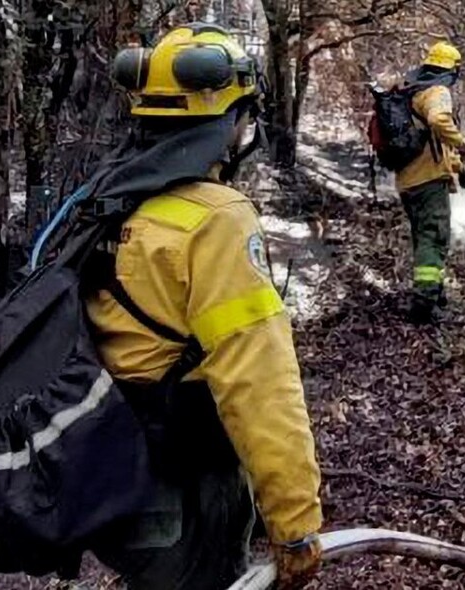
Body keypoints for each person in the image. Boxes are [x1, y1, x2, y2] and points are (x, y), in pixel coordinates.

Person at [88, 24, 322, 589]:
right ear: (232, 120)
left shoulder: (106, 194)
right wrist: (294, 523)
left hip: (112, 477)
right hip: (185, 490)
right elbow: (258, 381)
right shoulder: (216, 219)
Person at [393, 41, 465, 324]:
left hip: (408, 181)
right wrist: (463, 144)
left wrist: (458, 167)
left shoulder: (413, 91)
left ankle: (434, 294)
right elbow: (439, 121)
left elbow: (433, 145)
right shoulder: (437, 92)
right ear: (451, 71)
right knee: (434, 238)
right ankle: (424, 304)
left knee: (424, 238)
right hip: (428, 182)